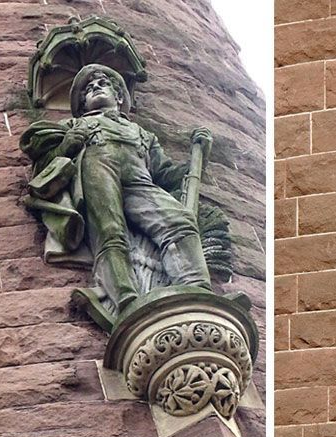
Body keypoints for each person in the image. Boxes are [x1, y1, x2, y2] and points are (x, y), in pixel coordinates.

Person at [20, 64, 212, 315]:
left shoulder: (142, 133)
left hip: (138, 178)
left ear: (119, 96)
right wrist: (67, 145)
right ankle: (124, 296)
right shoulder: (73, 124)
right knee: (110, 230)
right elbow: (45, 162)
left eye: (102, 84)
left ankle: (196, 286)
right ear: (83, 104)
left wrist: (199, 157)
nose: (95, 89)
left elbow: (165, 174)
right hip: (97, 169)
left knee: (180, 220)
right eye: (88, 89)